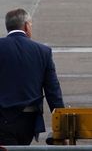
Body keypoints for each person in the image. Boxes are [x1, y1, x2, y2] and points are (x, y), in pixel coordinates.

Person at [0, 8, 64, 145]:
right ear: (27, 26)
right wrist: (62, 126)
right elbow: (53, 92)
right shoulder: (43, 51)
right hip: (28, 122)